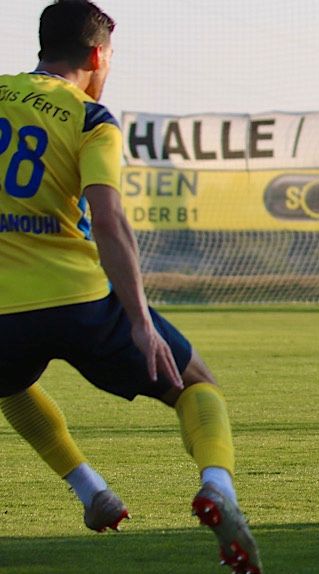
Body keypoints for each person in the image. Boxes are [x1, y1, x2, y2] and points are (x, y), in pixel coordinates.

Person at [0, 2, 263, 571]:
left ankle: (89, 490)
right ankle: (218, 488)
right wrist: (141, 323)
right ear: (97, 56)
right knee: (198, 386)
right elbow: (110, 217)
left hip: (2, 313)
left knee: (10, 384)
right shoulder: (90, 118)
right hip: (81, 300)